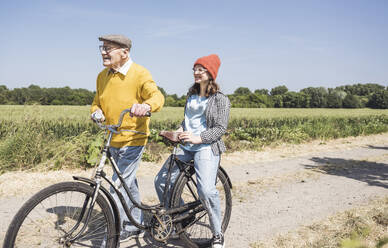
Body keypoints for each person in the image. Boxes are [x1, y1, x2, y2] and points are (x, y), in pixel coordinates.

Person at [91, 34, 164, 242]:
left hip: (134, 138)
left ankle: (112, 234)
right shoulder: (102, 76)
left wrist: (146, 106)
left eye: (109, 48)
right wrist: (96, 112)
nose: (104, 52)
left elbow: (157, 96)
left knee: (117, 185)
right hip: (112, 139)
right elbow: (96, 102)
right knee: (127, 183)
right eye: (102, 47)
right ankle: (133, 225)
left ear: (125, 52)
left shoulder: (139, 73)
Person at [154, 54, 230, 248]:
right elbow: (187, 120)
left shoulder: (220, 99)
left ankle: (217, 234)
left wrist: (199, 137)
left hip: (205, 147)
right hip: (185, 146)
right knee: (161, 181)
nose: (196, 72)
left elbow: (220, 128)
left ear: (210, 73)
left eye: (201, 69)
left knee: (205, 190)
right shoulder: (191, 95)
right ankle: (181, 217)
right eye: (195, 69)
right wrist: (178, 131)